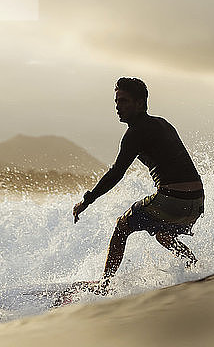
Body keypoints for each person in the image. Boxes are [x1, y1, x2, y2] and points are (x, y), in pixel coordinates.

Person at [72, 77, 205, 293]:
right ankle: (192, 261)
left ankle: (105, 285)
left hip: (173, 200)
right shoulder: (162, 123)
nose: (118, 107)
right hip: (196, 202)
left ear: (140, 103)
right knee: (163, 234)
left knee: (122, 226)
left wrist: (87, 201)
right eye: (116, 102)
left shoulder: (135, 133)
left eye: (123, 101)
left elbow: (116, 173)